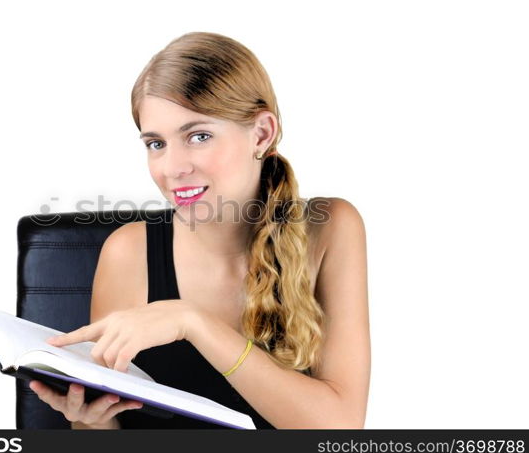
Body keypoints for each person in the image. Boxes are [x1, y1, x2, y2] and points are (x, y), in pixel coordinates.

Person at [28, 31, 370, 429]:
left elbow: (340, 429)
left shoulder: (329, 229)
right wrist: (90, 421)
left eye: (198, 136)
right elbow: (102, 431)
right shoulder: (128, 252)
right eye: (156, 144)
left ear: (261, 133)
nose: (172, 168)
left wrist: (194, 322)